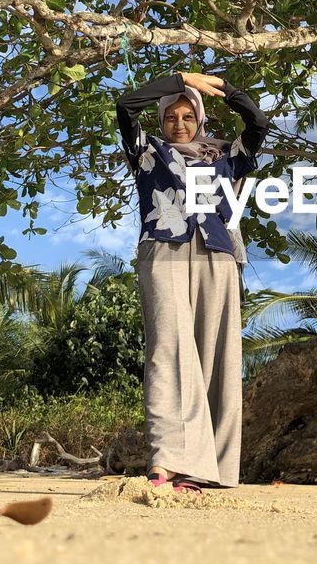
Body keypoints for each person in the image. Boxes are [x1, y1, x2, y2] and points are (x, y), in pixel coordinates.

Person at [115, 68, 270, 495]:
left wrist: (225, 91)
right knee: (167, 350)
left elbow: (258, 123)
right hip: (162, 252)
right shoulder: (146, 152)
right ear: (162, 121)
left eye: (188, 116)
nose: (179, 124)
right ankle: (167, 460)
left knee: (216, 356)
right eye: (171, 116)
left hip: (216, 256)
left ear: (200, 119)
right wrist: (180, 80)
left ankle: (210, 469)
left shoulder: (226, 155)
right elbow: (126, 106)